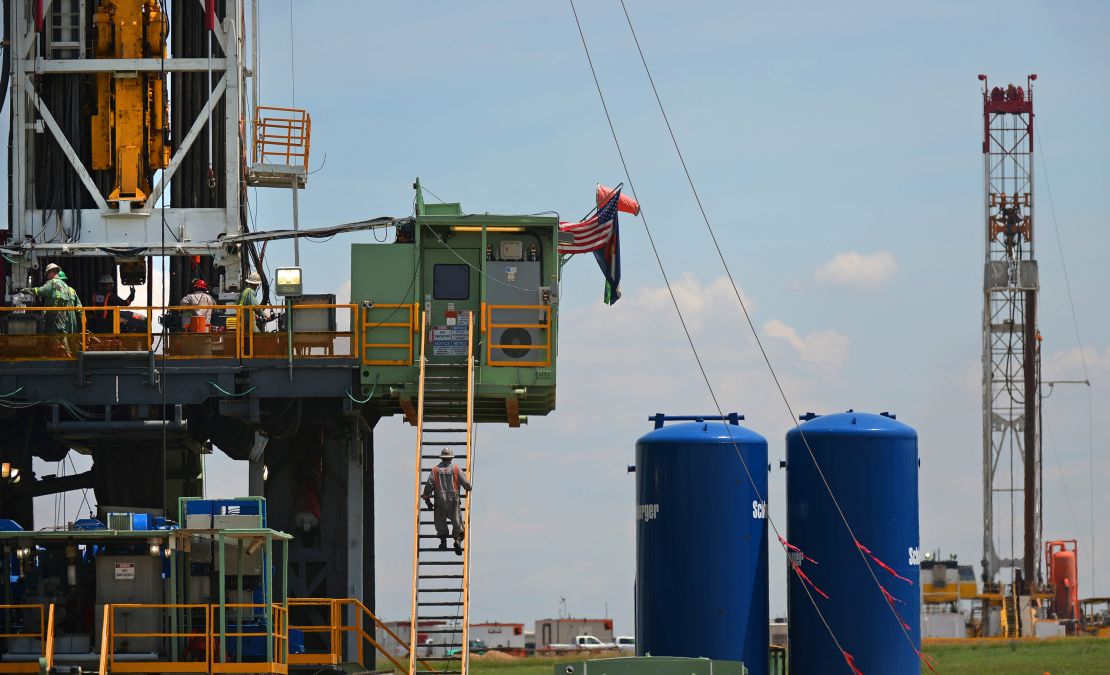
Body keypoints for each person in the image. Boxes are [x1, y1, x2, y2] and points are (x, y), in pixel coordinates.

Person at [20, 263, 82, 353]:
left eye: (47, 274)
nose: (47, 277)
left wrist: (28, 290)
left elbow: (41, 291)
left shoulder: (52, 283)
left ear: (50, 272)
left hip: (53, 316)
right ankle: (69, 356)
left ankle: (59, 355)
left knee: (54, 338)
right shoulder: (66, 287)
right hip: (64, 316)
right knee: (63, 335)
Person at [422, 447, 472, 555]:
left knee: (440, 523)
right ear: (451, 458)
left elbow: (428, 486)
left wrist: (427, 501)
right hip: (453, 500)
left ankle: (443, 542)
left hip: (439, 500)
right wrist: (469, 487)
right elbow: (465, 483)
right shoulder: (456, 468)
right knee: (457, 522)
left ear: (442, 458)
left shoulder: (435, 470)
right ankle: (457, 540)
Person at [237, 272, 274, 354]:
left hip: (242, 320)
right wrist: (265, 315)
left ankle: (247, 354)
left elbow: (245, 305)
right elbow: (255, 306)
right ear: (255, 284)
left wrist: (255, 315)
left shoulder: (244, 291)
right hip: (248, 321)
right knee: (257, 335)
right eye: (257, 284)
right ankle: (258, 354)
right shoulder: (250, 291)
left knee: (246, 339)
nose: (257, 286)